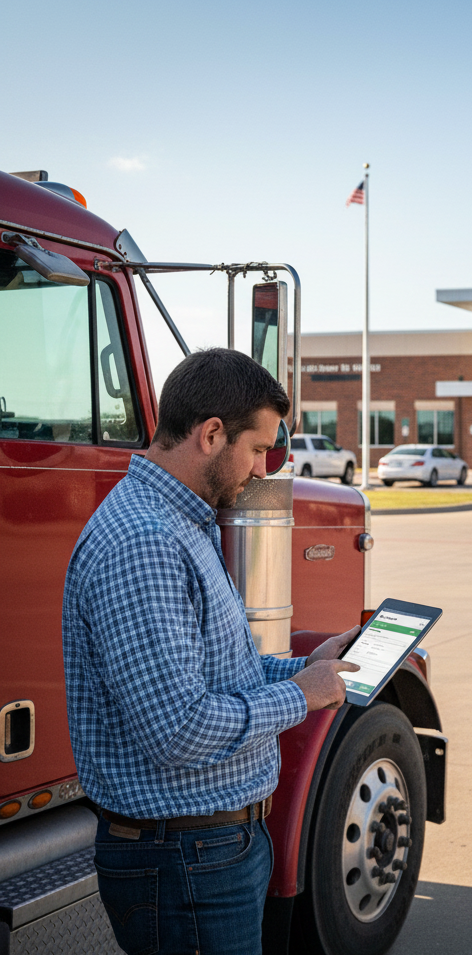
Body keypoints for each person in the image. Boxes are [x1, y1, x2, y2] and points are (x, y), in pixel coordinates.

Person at [62, 348, 360, 955]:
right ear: (211, 434)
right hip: (184, 861)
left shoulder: (184, 523)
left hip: (203, 852)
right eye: (257, 450)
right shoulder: (145, 542)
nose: (260, 471)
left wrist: (305, 665)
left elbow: (221, 673)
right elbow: (177, 730)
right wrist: (300, 697)